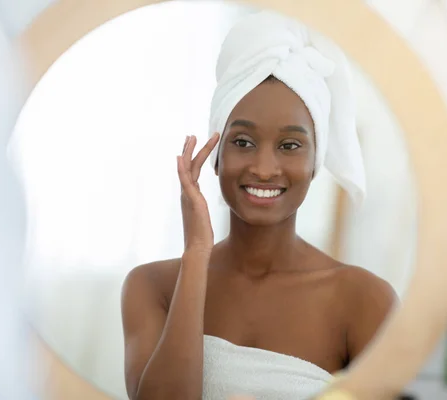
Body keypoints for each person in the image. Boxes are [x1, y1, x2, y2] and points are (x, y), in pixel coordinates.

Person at [121, 10, 397, 400]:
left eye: (290, 146)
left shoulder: (365, 300)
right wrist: (196, 254)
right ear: (214, 155)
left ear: (315, 161)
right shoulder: (152, 287)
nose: (264, 169)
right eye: (243, 142)